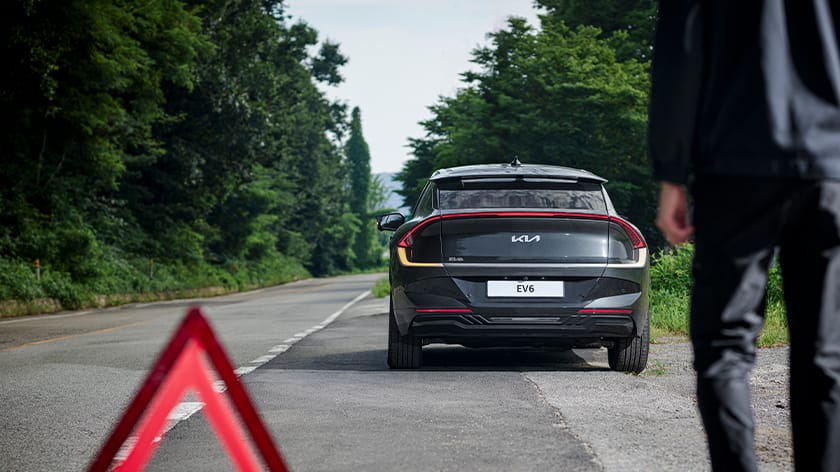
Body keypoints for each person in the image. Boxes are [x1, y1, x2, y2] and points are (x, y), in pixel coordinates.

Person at [649, 1, 840, 471]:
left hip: (734, 165)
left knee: (724, 347)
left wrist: (672, 173)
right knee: (826, 353)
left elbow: (680, 52)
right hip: (831, 169)